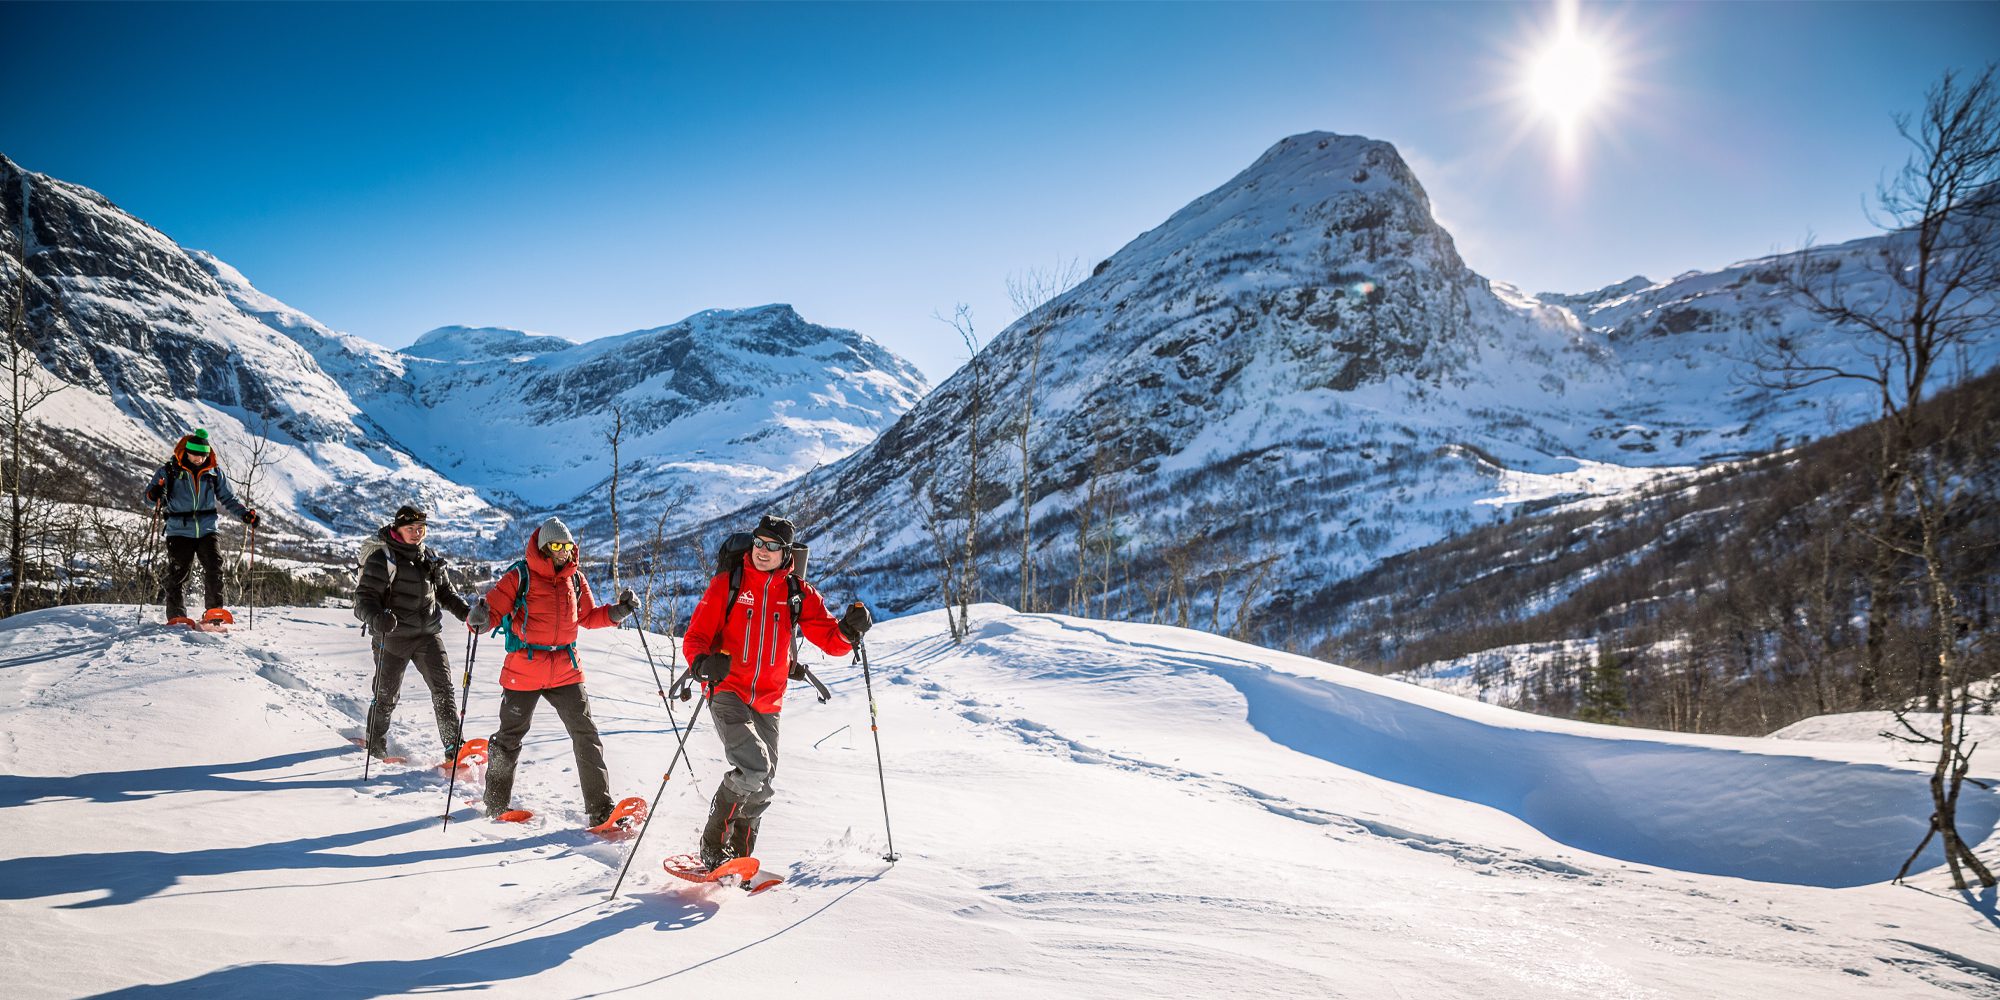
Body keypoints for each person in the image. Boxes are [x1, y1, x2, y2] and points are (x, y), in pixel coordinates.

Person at [681, 514, 872, 868]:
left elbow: (831, 640)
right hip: (728, 690)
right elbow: (695, 638)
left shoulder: (797, 593)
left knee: (764, 785)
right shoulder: (729, 584)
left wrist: (849, 630)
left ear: (786, 554)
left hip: (769, 699)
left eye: (771, 547)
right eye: (758, 543)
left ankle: (738, 854)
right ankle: (712, 843)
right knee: (753, 766)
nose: (762, 551)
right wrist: (703, 663)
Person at [467, 516, 639, 826]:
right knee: (509, 738)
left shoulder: (575, 578)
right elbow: (491, 611)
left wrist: (619, 611)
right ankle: (494, 804)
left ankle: (600, 810)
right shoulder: (520, 575)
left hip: (565, 669)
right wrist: (478, 618)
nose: (563, 551)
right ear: (544, 548)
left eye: (567, 545)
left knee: (586, 735)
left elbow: (588, 616)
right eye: (556, 546)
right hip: (525, 668)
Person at [352, 505, 473, 761]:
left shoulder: (428, 556)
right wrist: (377, 618)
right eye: (411, 529)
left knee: (443, 690)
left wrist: (468, 614)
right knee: (386, 696)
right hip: (392, 637)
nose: (417, 533)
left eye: (421, 528)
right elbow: (363, 600)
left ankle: (455, 749)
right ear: (398, 528)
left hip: (428, 635)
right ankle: (375, 749)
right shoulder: (382, 559)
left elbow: (445, 593)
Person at [142, 428, 258, 623]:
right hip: (178, 529)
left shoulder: (213, 472)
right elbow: (149, 499)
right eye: (195, 455)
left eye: (203, 455)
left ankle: (214, 612)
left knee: (215, 567)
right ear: (186, 452)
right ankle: (177, 615)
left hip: (207, 529)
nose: (199, 459)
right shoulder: (169, 471)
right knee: (178, 573)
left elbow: (228, 498)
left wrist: (245, 514)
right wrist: (154, 493)